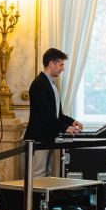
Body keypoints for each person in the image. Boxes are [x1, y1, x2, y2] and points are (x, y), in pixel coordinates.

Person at [24, 48, 81, 176]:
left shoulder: (51, 84)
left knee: (47, 173)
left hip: (48, 137)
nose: (63, 69)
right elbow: (46, 114)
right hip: (39, 138)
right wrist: (65, 128)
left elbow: (57, 115)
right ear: (51, 64)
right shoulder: (39, 84)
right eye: (61, 65)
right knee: (38, 174)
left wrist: (72, 122)